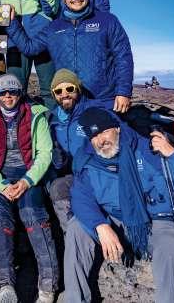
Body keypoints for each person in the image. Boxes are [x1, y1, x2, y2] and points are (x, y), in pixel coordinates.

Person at [65, 107, 174, 303]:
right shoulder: (87, 159)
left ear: (117, 128)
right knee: (76, 228)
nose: (101, 140)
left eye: (104, 131)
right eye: (94, 136)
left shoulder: (148, 150)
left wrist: (173, 156)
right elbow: (80, 197)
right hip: (115, 221)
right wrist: (100, 226)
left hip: (154, 222)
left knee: (170, 246)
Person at [0, 74, 59, 303]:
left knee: (34, 215)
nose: (8, 96)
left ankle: (48, 286)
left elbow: (45, 153)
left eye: (13, 92)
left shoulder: (36, 114)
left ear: (21, 93)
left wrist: (27, 181)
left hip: (28, 175)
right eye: (2, 92)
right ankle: (5, 286)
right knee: (0, 221)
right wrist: (0, 186)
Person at [7, 0, 133, 113]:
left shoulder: (107, 21)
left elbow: (123, 57)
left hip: (104, 99)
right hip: (69, 100)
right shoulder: (54, 27)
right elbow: (29, 48)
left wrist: (123, 92)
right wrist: (12, 23)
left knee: (109, 134)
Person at [46, 69, 108, 231]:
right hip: (72, 175)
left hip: (96, 173)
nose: (64, 94)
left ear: (78, 90)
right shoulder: (53, 120)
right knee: (56, 187)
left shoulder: (93, 110)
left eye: (70, 89)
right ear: (54, 95)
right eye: (58, 91)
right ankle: (73, 232)